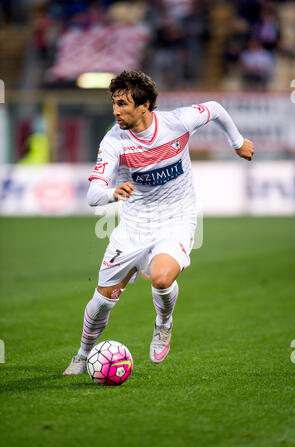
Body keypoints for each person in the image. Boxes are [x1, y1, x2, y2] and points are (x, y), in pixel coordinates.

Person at [63, 70, 254, 375]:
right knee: (103, 301)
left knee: (162, 278)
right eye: (114, 103)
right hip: (134, 226)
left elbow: (215, 109)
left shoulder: (177, 122)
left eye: (123, 104)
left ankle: (163, 323)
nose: (116, 110)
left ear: (145, 105)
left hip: (177, 217)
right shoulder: (114, 141)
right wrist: (113, 192)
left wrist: (237, 142)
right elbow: (92, 194)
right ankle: (83, 355)